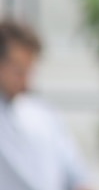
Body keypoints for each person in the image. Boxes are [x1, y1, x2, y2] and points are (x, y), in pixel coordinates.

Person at [0, 18, 94, 190]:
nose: (25, 81)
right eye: (18, 71)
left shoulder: (43, 115)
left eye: (29, 71)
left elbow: (77, 176)